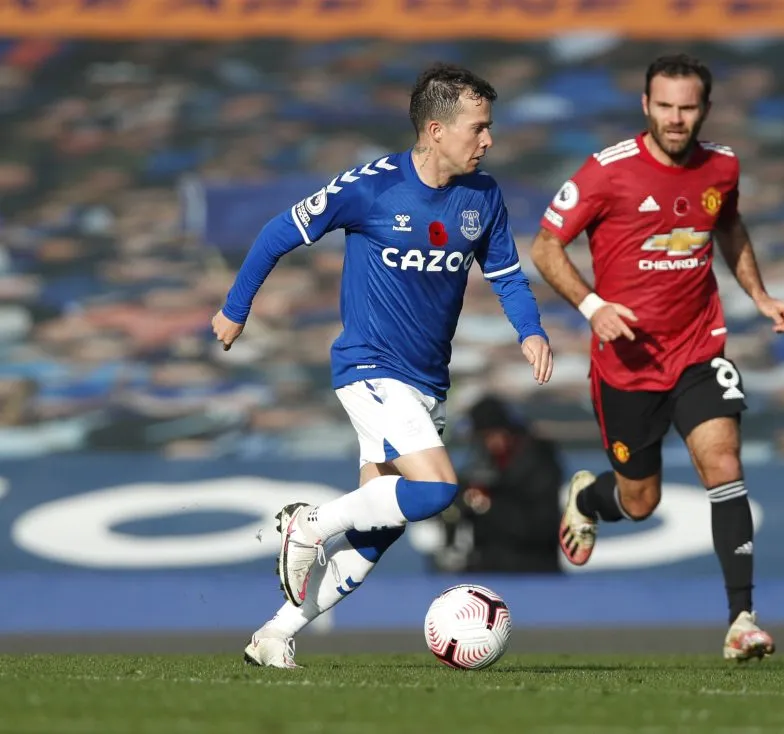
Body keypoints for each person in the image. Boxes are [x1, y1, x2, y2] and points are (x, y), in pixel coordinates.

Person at [211, 63, 554, 668]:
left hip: (427, 383)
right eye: (478, 128)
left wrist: (530, 331)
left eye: (490, 127)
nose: (488, 140)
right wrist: (235, 309)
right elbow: (277, 232)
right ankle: (310, 524)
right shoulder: (371, 187)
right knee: (437, 488)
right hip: (370, 368)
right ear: (435, 129)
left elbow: (505, 274)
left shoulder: (485, 196)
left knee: (375, 534)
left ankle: (273, 634)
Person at [529, 53, 784, 662]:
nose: (677, 119)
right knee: (639, 500)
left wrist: (758, 293)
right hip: (626, 365)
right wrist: (594, 305)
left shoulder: (723, 165)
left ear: (704, 108)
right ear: (646, 105)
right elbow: (546, 247)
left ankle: (741, 620)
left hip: (699, 348)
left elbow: (728, 226)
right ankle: (589, 499)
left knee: (723, 464)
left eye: (689, 107)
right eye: (666, 106)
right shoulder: (607, 171)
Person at [431, 395, 563, 574]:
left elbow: (541, 527)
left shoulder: (539, 464)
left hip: (534, 571)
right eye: (482, 437)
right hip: (491, 569)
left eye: (492, 434)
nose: (489, 443)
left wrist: (487, 505)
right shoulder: (485, 463)